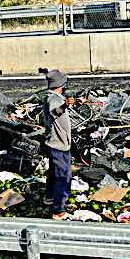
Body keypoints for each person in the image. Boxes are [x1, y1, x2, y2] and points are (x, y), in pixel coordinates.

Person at [42, 69, 75, 220]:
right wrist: (65, 105)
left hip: (54, 142)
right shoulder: (54, 99)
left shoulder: (54, 97)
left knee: (54, 172)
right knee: (63, 176)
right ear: (62, 83)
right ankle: (58, 210)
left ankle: (49, 197)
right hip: (59, 144)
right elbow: (55, 112)